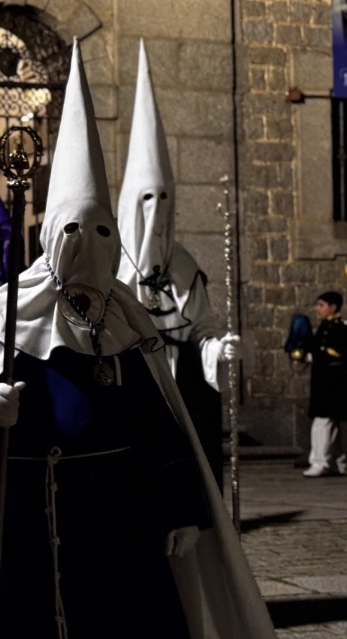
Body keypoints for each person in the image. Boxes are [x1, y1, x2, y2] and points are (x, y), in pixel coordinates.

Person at [0, 42, 292, 639]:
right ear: (51, 234)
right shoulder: (4, 314)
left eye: (101, 231)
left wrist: (183, 510)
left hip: (121, 520)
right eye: (73, 232)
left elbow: (162, 424)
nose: (88, 247)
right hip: (29, 516)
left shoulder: (125, 319)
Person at [116, 41, 239, 489]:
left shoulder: (184, 264)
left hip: (184, 397)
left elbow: (200, 328)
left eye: (165, 198)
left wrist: (216, 350)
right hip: (132, 392)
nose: (157, 210)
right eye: (147, 199)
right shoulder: (111, 263)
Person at [303, 291, 347, 477]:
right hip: (322, 380)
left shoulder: (344, 326)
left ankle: (320, 461)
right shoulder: (324, 326)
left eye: (322, 305)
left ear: (333, 307)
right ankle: (336, 461)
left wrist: (313, 354)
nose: (317, 309)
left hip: (335, 381)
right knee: (330, 422)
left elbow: (335, 351)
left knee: (323, 422)